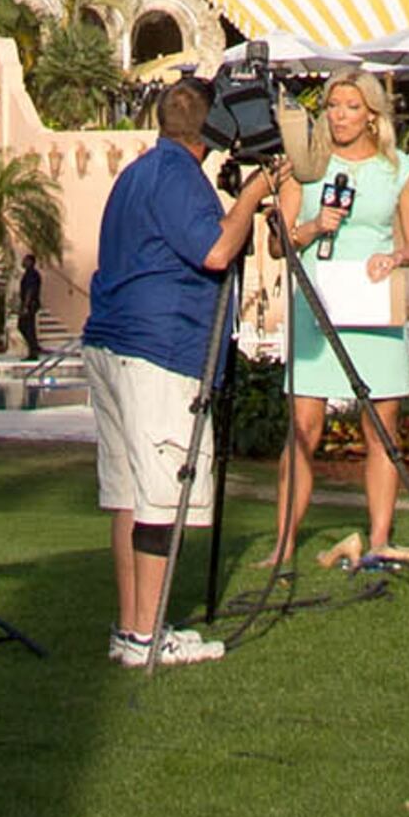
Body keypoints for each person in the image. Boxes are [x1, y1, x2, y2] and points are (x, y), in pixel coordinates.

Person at [78, 83, 279, 669]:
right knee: (161, 496)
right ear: (213, 128)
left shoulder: (138, 173)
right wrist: (252, 196)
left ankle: (135, 628)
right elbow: (216, 252)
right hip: (157, 352)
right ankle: (145, 636)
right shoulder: (176, 178)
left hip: (114, 341)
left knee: (128, 494)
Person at [269, 76, 409, 572]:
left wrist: (395, 256)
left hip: (372, 305)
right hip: (316, 305)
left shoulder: (398, 169)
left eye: (351, 106)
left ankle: (379, 539)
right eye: (333, 106)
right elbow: (279, 242)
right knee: (304, 427)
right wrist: (315, 227)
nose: (339, 115)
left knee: (381, 427)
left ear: (372, 116)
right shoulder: (307, 168)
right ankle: (283, 547)